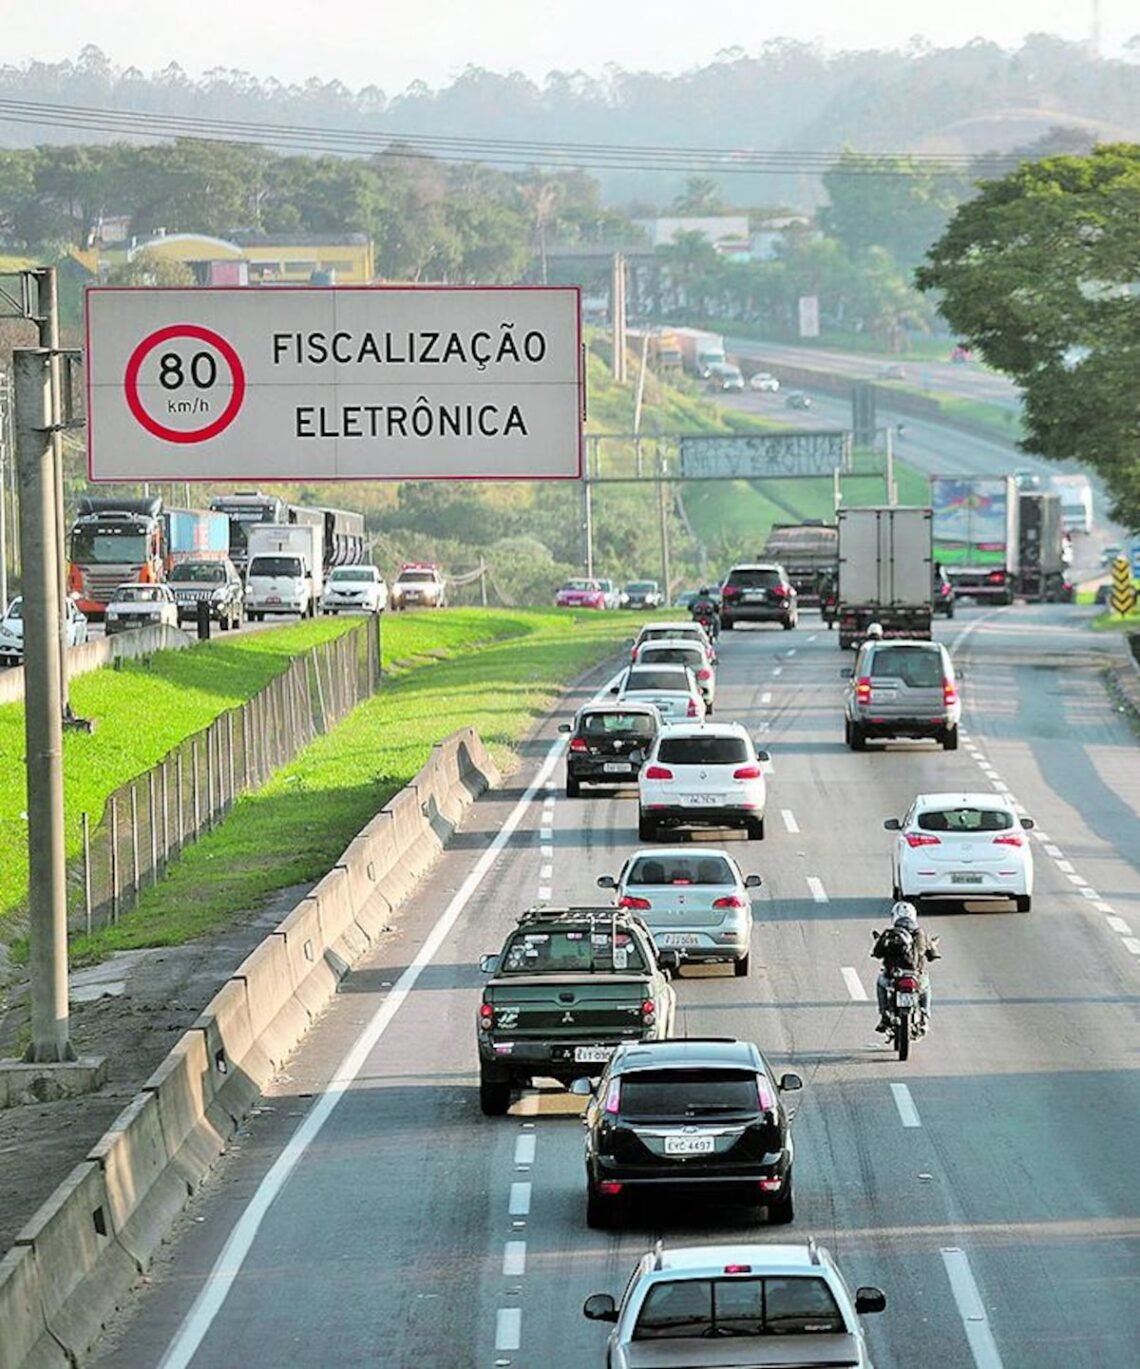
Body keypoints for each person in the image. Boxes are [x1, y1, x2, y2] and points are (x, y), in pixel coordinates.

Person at [871, 902, 940, 1034]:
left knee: (880, 982)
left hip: (894, 976)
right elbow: (932, 955)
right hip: (916, 976)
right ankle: (925, 1018)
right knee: (926, 986)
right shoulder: (921, 934)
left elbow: (877, 953)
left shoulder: (889, 933)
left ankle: (884, 1014)